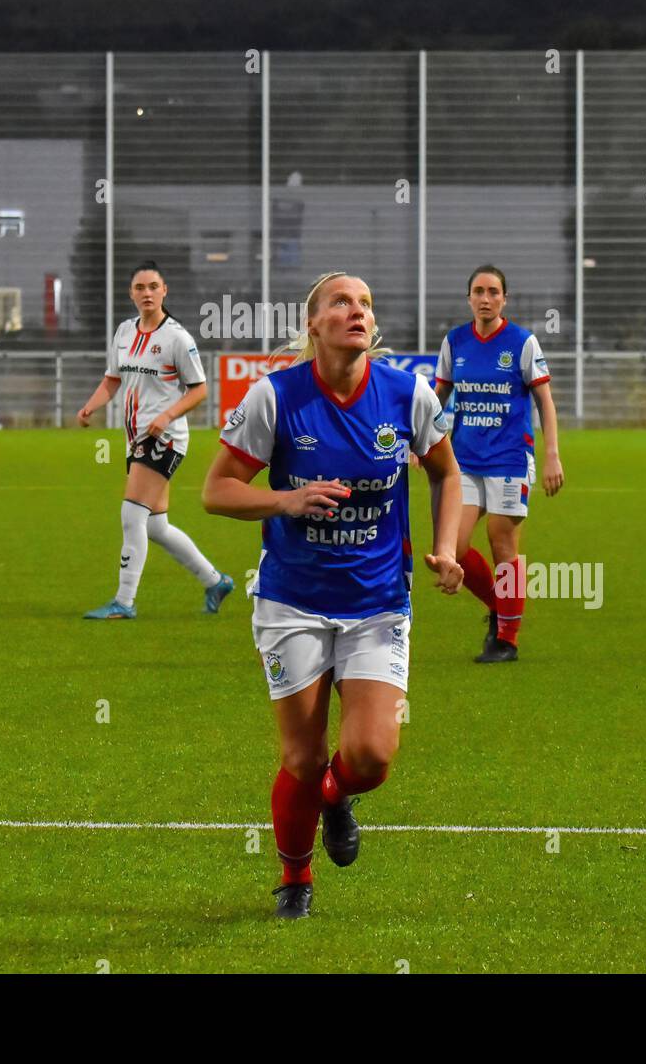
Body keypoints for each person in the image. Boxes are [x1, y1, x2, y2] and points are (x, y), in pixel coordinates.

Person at [203, 272, 463, 919]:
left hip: (377, 601)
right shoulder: (276, 398)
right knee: (300, 753)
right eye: (342, 302)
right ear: (313, 324)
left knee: (371, 755)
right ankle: (295, 880)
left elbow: (447, 473)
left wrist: (449, 547)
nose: (358, 311)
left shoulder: (408, 394)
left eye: (367, 302)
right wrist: (284, 498)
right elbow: (218, 489)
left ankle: (336, 795)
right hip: (292, 600)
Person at [78, 261, 232, 619]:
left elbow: (200, 390)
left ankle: (124, 602)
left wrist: (167, 416)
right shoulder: (124, 332)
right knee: (155, 525)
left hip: (164, 439)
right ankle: (215, 580)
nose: (146, 293)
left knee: (131, 514)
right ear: (131, 294)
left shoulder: (177, 338)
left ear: (164, 291)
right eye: (139, 287)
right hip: (136, 439)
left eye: (153, 287)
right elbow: (112, 380)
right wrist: (91, 406)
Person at [434, 264, 564, 663]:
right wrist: (422, 442)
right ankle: (500, 607)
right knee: (452, 548)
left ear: (504, 299)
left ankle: (507, 639)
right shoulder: (455, 342)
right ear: (469, 298)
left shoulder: (522, 342)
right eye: (478, 291)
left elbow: (544, 400)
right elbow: (438, 396)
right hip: (466, 461)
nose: (485, 299)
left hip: (510, 459)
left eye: (493, 292)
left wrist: (551, 455)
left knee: (501, 541)